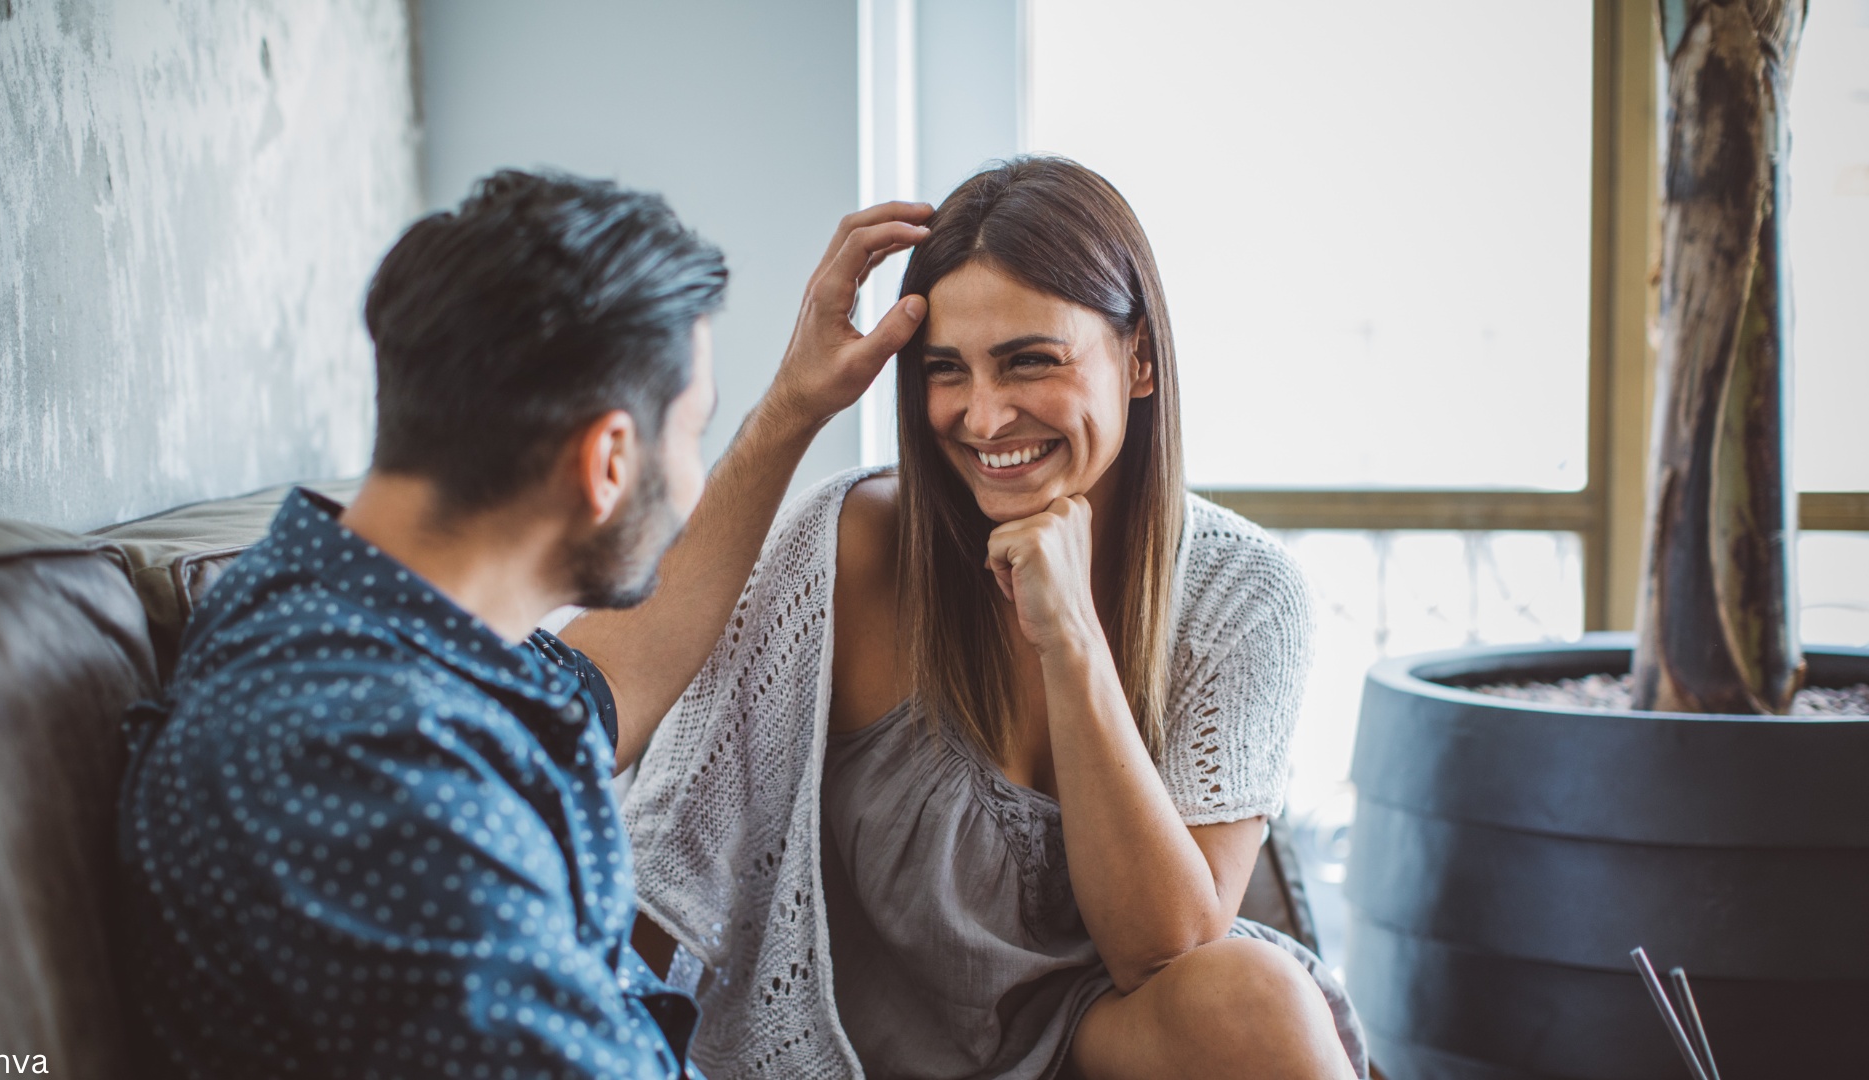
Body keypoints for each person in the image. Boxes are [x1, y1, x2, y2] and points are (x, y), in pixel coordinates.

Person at [117, 169, 934, 1078]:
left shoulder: (347, 618)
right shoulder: (369, 776)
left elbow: (610, 683)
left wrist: (793, 407)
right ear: (609, 460)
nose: (690, 474)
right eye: (689, 434)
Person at [610, 157, 1368, 1079]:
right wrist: (795, 401)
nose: (983, 415)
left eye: (1030, 362)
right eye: (946, 372)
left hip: (1104, 1047)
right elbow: (653, 820)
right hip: (854, 1057)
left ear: (1140, 360)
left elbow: (1166, 952)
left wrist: (1071, 638)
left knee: (1258, 999)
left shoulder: (1246, 594)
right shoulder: (851, 547)